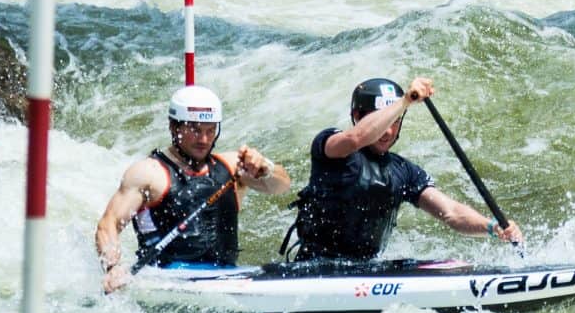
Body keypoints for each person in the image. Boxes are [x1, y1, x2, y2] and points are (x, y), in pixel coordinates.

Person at [282, 76, 522, 261]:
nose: (388, 131)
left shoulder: (404, 171)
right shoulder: (332, 148)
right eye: (384, 120)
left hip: (367, 270)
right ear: (357, 115)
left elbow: (451, 212)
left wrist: (491, 228)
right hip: (315, 266)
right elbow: (357, 138)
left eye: (396, 121)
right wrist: (405, 101)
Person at [96, 85, 290, 293]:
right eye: (195, 130)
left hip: (227, 275)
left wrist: (264, 168)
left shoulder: (234, 166)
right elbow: (109, 224)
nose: (204, 140)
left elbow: (281, 187)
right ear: (174, 127)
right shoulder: (149, 173)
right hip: (168, 278)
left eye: (210, 130)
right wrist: (113, 267)